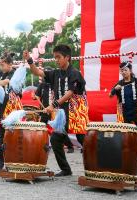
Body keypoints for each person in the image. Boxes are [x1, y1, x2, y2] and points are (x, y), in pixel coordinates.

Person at [24, 44, 89, 176]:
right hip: (62, 113)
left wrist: (53, 105)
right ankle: (66, 169)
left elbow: (70, 92)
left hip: (76, 111)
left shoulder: (75, 73)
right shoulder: (55, 73)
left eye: (59, 57)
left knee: (84, 139)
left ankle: (95, 167)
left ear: (67, 57)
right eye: (55, 58)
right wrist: (30, 60)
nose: (56, 60)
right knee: (55, 139)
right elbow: (37, 72)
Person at [109, 61, 137, 155]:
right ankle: (126, 149)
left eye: (125, 70)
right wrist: (115, 89)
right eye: (121, 71)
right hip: (124, 109)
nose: (123, 72)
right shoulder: (119, 83)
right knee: (124, 130)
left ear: (130, 70)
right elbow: (110, 95)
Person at [34, 81, 75, 153]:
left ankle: (70, 146)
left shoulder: (56, 84)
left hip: (55, 110)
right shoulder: (42, 85)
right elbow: (37, 96)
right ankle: (43, 145)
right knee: (41, 128)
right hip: (45, 110)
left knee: (59, 129)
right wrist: (39, 102)